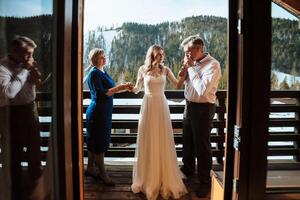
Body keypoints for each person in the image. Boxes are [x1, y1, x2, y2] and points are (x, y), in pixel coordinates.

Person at [130, 45, 187, 200]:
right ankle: (147, 177)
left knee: (162, 139)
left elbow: (177, 84)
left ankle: (162, 176)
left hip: (161, 106)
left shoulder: (166, 70)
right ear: (152, 55)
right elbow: (136, 89)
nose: (162, 56)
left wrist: (184, 73)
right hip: (148, 106)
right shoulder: (143, 69)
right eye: (159, 54)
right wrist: (126, 86)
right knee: (148, 139)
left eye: (163, 54)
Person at [0, 35, 43, 199]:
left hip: (31, 110)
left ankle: (35, 188)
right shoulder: (3, 66)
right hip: (12, 113)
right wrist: (25, 71)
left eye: (32, 54)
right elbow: (9, 93)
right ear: (14, 51)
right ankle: (15, 192)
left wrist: (36, 77)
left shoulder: (27, 63)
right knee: (14, 155)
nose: (31, 58)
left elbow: (37, 85)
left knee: (35, 152)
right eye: (28, 54)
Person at [178, 35, 221, 198]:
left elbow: (202, 89)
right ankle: (187, 170)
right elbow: (183, 82)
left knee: (202, 145)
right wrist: (185, 69)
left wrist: (190, 68)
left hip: (204, 108)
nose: (187, 54)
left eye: (189, 51)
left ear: (198, 49)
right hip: (189, 106)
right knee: (187, 140)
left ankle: (205, 181)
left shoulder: (213, 65)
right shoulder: (192, 63)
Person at [85, 48, 133, 186]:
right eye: (101, 57)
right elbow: (101, 94)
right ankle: (103, 173)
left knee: (94, 140)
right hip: (97, 112)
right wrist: (119, 88)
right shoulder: (94, 74)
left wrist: (124, 87)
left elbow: (110, 89)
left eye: (104, 56)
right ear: (95, 60)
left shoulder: (102, 71)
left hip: (103, 111)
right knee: (99, 142)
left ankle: (89, 169)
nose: (104, 59)